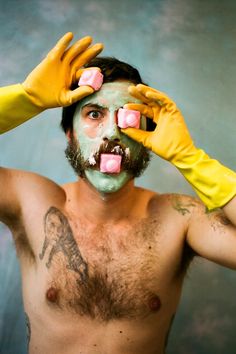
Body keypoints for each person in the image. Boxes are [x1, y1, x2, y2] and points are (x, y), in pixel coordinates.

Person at [0, 32, 235, 354]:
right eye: (94, 114)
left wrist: (189, 156)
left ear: (148, 135)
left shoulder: (179, 219)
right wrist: (26, 98)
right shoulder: (29, 200)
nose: (112, 133)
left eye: (128, 117)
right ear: (70, 134)